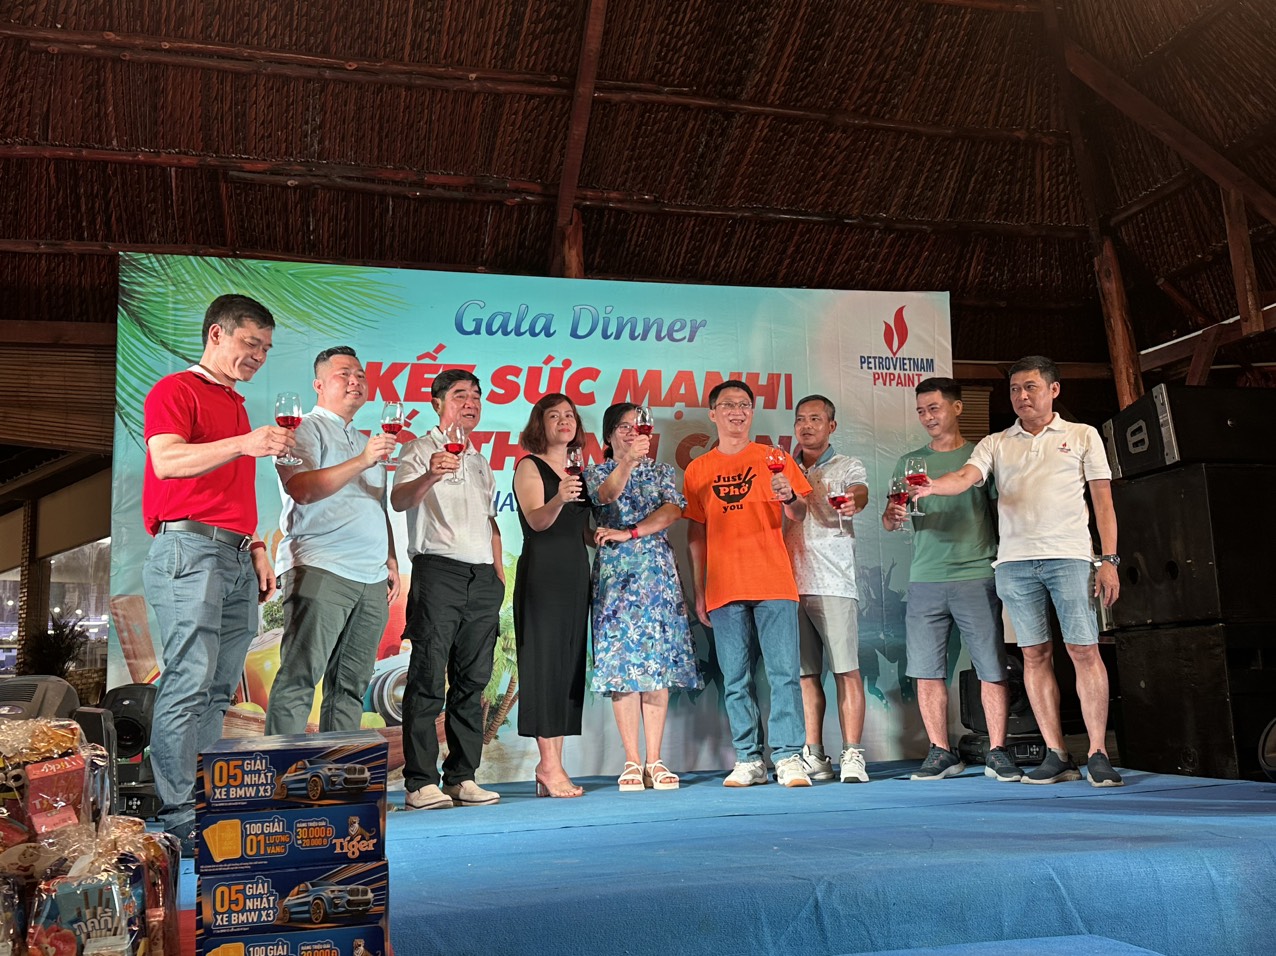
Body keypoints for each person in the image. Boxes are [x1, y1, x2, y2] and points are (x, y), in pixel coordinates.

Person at [912, 356, 1123, 787]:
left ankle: (1098, 752)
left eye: (1030, 387)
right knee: (1033, 655)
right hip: (1014, 563)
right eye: (1014, 389)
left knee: (1083, 650)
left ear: (1053, 389)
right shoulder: (995, 442)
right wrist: (933, 485)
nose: (1022, 396)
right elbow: (966, 475)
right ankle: (1057, 754)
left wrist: (1109, 560)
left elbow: (1103, 500)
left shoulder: (1082, 435)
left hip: (1070, 557)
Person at [141, 294, 295, 853]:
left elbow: (228, 490)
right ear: (216, 335)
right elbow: (166, 461)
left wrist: (256, 546)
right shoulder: (175, 390)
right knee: (187, 682)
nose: (258, 356)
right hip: (189, 549)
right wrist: (246, 444)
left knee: (216, 690)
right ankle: (179, 814)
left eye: (266, 348)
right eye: (250, 343)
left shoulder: (235, 403)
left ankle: (202, 804)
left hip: (234, 555)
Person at [883, 378, 1016, 782]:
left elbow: (1003, 513)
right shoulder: (908, 462)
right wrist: (893, 515)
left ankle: (998, 750)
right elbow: (890, 518)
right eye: (921, 411)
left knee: (990, 666)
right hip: (924, 578)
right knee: (927, 670)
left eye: (934, 408)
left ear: (956, 408)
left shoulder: (980, 456)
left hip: (976, 573)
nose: (927, 417)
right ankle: (941, 751)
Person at [683, 380, 814, 788]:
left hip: (773, 581)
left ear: (752, 412)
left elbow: (800, 513)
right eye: (728, 405)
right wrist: (700, 589)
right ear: (713, 413)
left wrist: (789, 497)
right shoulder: (698, 469)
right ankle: (748, 758)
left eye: (743, 405)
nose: (736, 412)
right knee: (735, 678)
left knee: (784, 674)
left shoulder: (774, 458)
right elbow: (695, 534)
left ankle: (789, 756)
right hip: (723, 586)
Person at [265, 346, 401, 736]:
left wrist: (391, 558)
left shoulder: (364, 439)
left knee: (351, 687)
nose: (355, 381)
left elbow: (376, 505)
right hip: (321, 565)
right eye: (344, 374)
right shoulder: (302, 429)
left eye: (360, 375)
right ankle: (282, 771)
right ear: (319, 385)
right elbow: (302, 489)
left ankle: (337, 768)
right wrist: (363, 460)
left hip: (371, 577)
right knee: (299, 678)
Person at [391, 369, 504, 810]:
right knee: (426, 677)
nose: (470, 403)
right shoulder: (419, 450)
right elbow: (400, 500)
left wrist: (497, 574)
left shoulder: (480, 460)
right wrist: (430, 475)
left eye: (476, 396)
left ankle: (462, 777)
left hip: (482, 578)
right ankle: (420, 781)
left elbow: (490, 521)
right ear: (437, 403)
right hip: (438, 571)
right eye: (460, 395)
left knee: (472, 682)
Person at [587, 403, 703, 792]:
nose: (631, 431)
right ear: (608, 436)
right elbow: (606, 497)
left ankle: (655, 759)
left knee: (657, 665)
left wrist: (631, 532)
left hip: (656, 576)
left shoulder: (662, 472)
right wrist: (627, 462)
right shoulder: (595, 472)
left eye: (637, 426)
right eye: (623, 427)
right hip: (616, 579)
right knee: (622, 667)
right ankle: (631, 761)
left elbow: (672, 512)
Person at [781, 395, 871, 784]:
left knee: (846, 670)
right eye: (801, 419)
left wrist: (853, 502)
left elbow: (860, 492)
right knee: (806, 675)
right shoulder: (783, 468)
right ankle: (814, 754)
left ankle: (853, 753)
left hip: (834, 580)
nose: (807, 426)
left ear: (831, 426)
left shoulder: (847, 465)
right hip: (788, 582)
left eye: (816, 419)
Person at [512, 393, 592, 798]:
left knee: (566, 668)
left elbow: (581, 529)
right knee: (544, 668)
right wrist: (559, 496)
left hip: (575, 574)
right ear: (539, 425)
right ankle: (547, 764)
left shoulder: (579, 470)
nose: (564, 420)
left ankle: (553, 765)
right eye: (555, 415)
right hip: (543, 576)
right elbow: (537, 522)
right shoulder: (530, 466)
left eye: (570, 415)